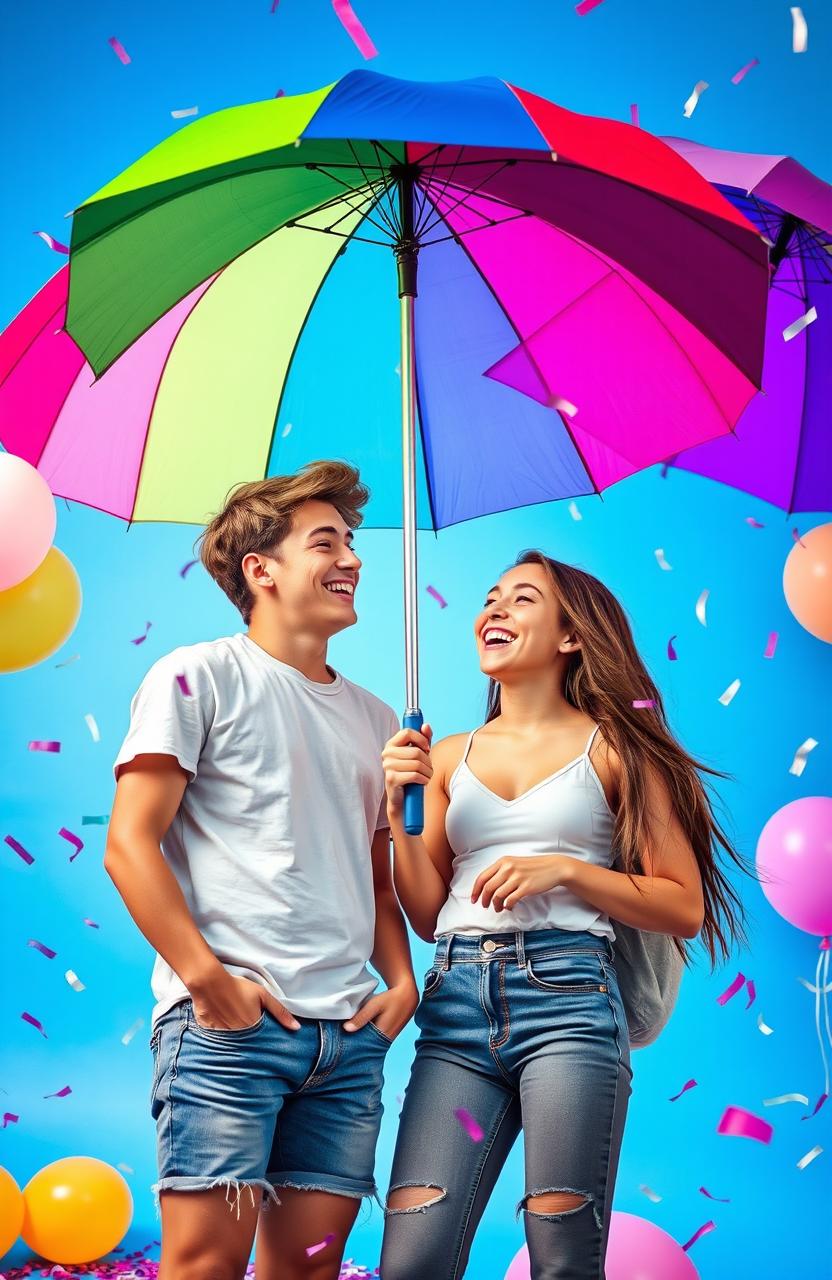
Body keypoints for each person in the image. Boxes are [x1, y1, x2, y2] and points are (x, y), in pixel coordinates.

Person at [378, 550, 753, 1280]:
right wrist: (399, 816)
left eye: (521, 599)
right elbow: (429, 915)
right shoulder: (448, 756)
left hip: (570, 1003)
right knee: (413, 1260)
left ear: (571, 635)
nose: (495, 609)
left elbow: (682, 903)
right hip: (454, 1005)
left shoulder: (615, 751)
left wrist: (566, 871)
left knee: (561, 1256)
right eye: (490, 598)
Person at [105, 461, 418, 1280]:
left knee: (307, 1271)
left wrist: (401, 978)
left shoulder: (379, 719)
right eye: (327, 542)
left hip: (346, 1043)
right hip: (228, 1033)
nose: (352, 558)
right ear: (261, 569)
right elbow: (129, 845)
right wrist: (207, 981)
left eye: (352, 542)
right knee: (205, 1266)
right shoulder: (194, 676)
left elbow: (375, 875)